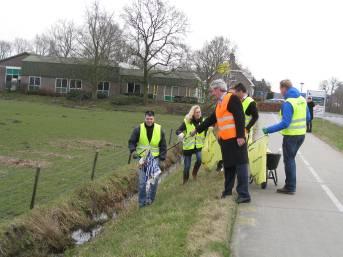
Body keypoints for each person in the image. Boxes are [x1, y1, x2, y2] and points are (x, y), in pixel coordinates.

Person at [192, 79, 251, 204]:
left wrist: (241, 136)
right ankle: (227, 191)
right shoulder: (220, 103)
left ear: (218, 89)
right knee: (229, 166)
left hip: (236, 140)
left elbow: (240, 117)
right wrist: (197, 129)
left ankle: (244, 194)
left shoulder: (232, 98)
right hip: (226, 141)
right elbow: (211, 119)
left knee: (241, 166)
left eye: (213, 90)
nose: (212, 93)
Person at [262, 80, 311, 195]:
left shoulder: (288, 103)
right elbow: (308, 117)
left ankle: (290, 187)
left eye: (280, 89)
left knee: (289, 161)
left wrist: (268, 129)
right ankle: (291, 184)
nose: (281, 92)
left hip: (291, 136)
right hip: (301, 135)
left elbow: (285, 123)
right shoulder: (302, 100)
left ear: (284, 88)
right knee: (291, 160)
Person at [128, 111, 167, 208]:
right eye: (147, 119)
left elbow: (163, 145)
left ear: (154, 119)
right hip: (143, 159)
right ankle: (142, 203)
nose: (149, 120)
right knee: (142, 182)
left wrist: (162, 157)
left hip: (155, 158)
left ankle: (150, 200)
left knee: (154, 180)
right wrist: (133, 151)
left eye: (151, 119)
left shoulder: (159, 129)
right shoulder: (138, 129)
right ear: (144, 118)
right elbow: (131, 142)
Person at [176, 105, 206, 184]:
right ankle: (185, 181)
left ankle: (194, 173)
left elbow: (207, 131)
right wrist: (180, 134)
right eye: (196, 112)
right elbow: (178, 130)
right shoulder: (187, 122)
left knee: (199, 160)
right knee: (187, 167)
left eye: (199, 112)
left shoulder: (203, 121)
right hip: (188, 147)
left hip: (198, 146)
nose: (198, 114)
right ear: (193, 113)